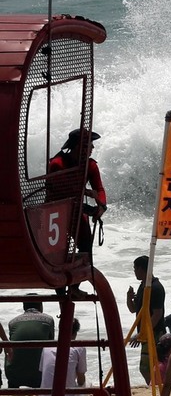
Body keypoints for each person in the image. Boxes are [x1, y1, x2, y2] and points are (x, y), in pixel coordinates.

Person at [47, 128, 107, 298]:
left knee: (86, 246)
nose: (92, 149)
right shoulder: (57, 164)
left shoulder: (91, 165)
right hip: (55, 212)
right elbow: (63, 191)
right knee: (58, 252)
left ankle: (74, 287)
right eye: (89, 145)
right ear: (77, 146)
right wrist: (87, 196)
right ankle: (60, 293)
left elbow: (99, 189)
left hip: (76, 211)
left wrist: (101, 205)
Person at [126, 255, 166, 384]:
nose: (134, 271)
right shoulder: (143, 286)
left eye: (135, 268)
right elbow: (133, 310)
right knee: (148, 366)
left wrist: (143, 332)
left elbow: (157, 314)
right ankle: (153, 385)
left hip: (154, 332)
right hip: (146, 332)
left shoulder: (155, 288)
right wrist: (129, 298)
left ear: (141, 268)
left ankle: (153, 386)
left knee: (147, 367)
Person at [38, 318, 86, 396]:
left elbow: (44, 372)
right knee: (87, 382)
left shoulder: (47, 346)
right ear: (76, 332)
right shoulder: (79, 347)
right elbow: (81, 379)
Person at [6, 299, 55, 388]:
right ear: (40, 306)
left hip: (14, 376)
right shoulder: (49, 320)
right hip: (40, 376)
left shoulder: (12, 322)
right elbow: (51, 347)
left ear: (24, 307)